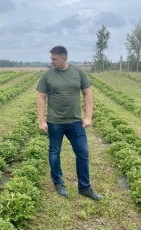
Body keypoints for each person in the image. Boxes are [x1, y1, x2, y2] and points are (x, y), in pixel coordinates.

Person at [36, 45, 102, 201]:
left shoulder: (78, 72)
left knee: (83, 153)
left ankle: (85, 187)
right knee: (54, 152)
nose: (51, 61)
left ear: (64, 58)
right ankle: (58, 183)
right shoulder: (47, 75)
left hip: (75, 122)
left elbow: (87, 94)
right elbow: (41, 98)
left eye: (54, 59)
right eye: (51, 58)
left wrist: (88, 116)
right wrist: (41, 120)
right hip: (55, 122)